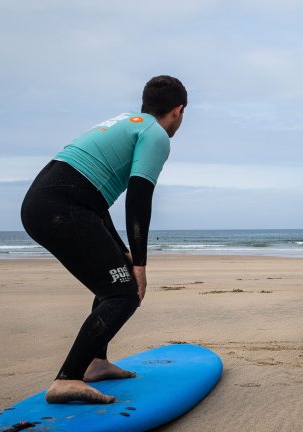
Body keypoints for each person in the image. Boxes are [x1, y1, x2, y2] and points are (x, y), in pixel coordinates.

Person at [20, 75, 187, 404]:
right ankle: (67, 379)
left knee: (112, 282)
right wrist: (139, 264)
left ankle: (96, 362)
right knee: (124, 293)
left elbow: (93, 200)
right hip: (62, 206)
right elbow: (138, 200)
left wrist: (122, 250)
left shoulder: (126, 122)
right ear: (178, 111)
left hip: (49, 202)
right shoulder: (155, 135)